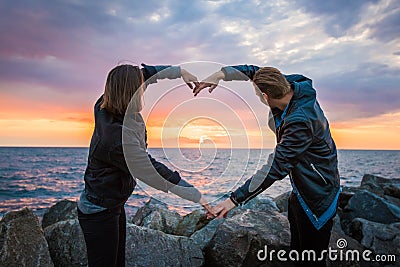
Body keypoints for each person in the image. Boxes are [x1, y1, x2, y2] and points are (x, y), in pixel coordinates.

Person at [195, 65, 341, 266]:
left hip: (317, 194)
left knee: (311, 259)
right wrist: (219, 75)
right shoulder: (292, 85)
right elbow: (253, 71)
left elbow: (275, 167)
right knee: (297, 253)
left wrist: (234, 200)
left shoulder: (300, 121)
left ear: (265, 96)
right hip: (302, 185)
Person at [77, 63, 213, 267]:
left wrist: (180, 72)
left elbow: (147, 73)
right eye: (141, 87)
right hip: (98, 211)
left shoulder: (103, 106)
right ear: (131, 92)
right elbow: (153, 172)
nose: (144, 89)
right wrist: (196, 195)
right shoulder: (117, 140)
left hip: (112, 203)